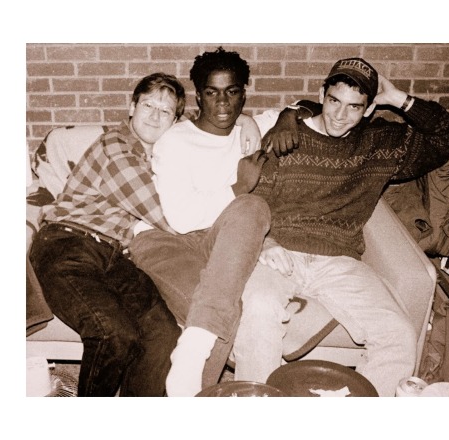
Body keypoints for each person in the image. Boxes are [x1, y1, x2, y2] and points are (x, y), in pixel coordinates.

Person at [231, 57, 449, 397]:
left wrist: (399, 99)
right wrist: (266, 242)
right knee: (258, 309)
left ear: (369, 108)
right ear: (321, 95)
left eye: (354, 107)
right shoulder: (286, 137)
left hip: (340, 260)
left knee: (398, 335)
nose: (339, 115)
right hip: (279, 251)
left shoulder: (382, 144)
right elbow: (253, 200)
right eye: (334, 101)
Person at [128, 47, 277, 397]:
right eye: (212, 92)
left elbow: (307, 108)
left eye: (232, 92)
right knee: (225, 310)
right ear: (199, 96)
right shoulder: (175, 140)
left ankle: (192, 355)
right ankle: (195, 373)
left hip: (217, 242)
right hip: (164, 240)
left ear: (243, 95)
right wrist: (238, 186)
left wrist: (272, 119)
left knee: (254, 206)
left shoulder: (250, 131)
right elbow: (180, 219)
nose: (223, 103)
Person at [28, 73, 186, 397]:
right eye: (148, 105)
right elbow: (162, 213)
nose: (155, 116)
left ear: (175, 122)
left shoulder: (165, 159)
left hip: (114, 257)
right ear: (132, 107)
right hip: (67, 245)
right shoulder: (115, 145)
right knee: (113, 333)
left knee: (164, 333)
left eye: (165, 110)